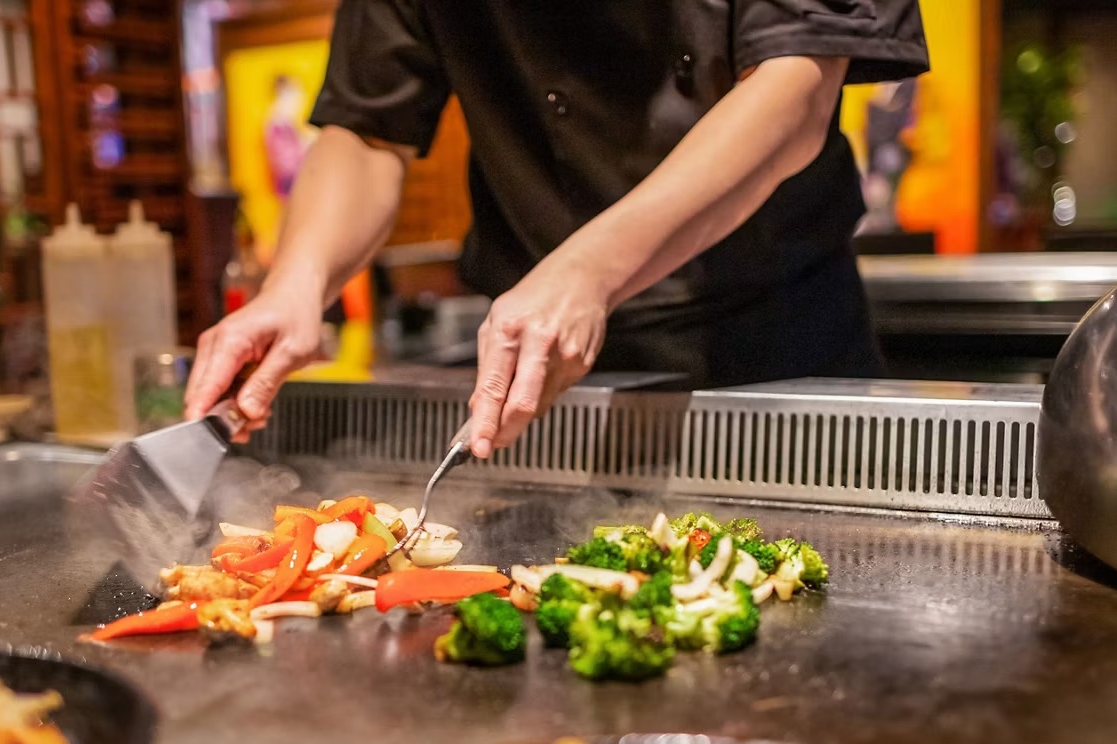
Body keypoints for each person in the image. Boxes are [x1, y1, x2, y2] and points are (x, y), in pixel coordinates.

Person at [185, 0, 929, 460]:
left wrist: (588, 269)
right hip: (543, 373)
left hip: (776, 351)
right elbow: (366, 129)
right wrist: (296, 284)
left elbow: (794, 88)